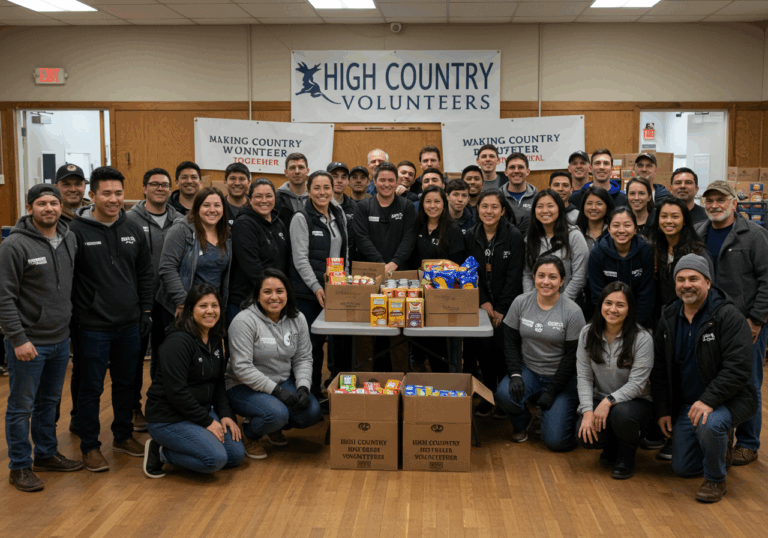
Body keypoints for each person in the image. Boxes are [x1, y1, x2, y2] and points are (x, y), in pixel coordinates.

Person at [651, 254, 757, 503]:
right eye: (681, 279)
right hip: (688, 404)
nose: (686, 285)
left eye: (693, 279)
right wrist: (663, 409)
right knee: (683, 468)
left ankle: (715, 479)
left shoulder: (729, 316)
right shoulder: (668, 317)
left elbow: (738, 368)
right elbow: (660, 369)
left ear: (708, 282)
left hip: (727, 400)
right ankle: (719, 450)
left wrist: (708, 400)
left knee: (710, 424)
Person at [0, 184, 84, 492]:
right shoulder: (14, 245)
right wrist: (18, 339)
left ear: (61, 207)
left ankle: (46, 454)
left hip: (60, 339)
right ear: (29, 208)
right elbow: (4, 297)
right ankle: (19, 466)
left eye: (53, 203)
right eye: (41, 203)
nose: (49, 208)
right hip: (28, 342)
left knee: (49, 402)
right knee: (21, 406)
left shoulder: (69, 237)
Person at [69, 166, 154, 472]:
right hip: (92, 326)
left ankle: (123, 436)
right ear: (92, 195)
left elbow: (145, 273)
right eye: (106, 193)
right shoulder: (75, 232)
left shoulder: (133, 228)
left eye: (118, 193)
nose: (114, 199)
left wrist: (145, 310)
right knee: (91, 388)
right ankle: (90, 446)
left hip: (129, 324)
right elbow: (68, 279)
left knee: (126, 384)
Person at [695, 181, 768, 467]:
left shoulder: (755, 235)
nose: (714, 205)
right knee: (715, 379)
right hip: (710, 321)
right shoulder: (699, 233)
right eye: (709, 200)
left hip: (747, 323)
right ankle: (721, 438)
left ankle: (748, 443)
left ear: (734, 203)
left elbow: (767, 280)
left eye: (721, 199)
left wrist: (757, 320)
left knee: (748, 381)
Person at [143, 284, 244, 478]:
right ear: (190, 310)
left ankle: (189, 443)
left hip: (199, 412)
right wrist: (207, 421)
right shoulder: (177, 342)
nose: (210, 311)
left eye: (214, 305)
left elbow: (218, 383)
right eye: (203, 306)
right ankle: (160, 452)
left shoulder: (215, 337)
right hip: (168, 418)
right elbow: (176, 391)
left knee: (235, 455)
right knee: (215, 459)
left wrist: (224, 414)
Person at [226, 270, 322, 460]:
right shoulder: (243, 321)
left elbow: (303, 357)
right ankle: (250, 434)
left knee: (312, 412)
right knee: (277, 414)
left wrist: (303, 387)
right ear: (257, 295)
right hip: (242, 386)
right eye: (267, 292)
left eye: (279, 291)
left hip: (281, 382)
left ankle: (272, 425)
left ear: (288, 294)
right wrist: (276, 391)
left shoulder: (297, 318)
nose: (274, 297)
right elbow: (242, 368)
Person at [495, 255, 585, 450]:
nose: (546, 282)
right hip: (530, 370)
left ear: (562, 281)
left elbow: (573, 358)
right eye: (541, 275)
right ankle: (523, 422)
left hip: (561, 378)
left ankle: (564, 414)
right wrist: (515, 374)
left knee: (556, 442)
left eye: (552, 277)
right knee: (503, 395)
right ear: (534, 277)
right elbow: (510, 342)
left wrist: (552, 392)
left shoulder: (573, 312)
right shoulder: (520, 302)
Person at [576, 282, 654, 480]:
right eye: (608, 303)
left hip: (636, 402)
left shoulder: (642, 338)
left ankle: (627, 454)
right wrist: (587, 411)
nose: (613, 309)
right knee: (582, 434)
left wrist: (608, 401)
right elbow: (584, 377)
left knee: (622, 415)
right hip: (601, 397)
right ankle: (611, 447)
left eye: (620, 305)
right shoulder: (587, 333)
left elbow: (638, 384)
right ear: (600, 305)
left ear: (629, 310)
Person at [126, 167, 179, 432]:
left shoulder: (181, 220)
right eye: (155, 184)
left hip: (169, 301)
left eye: (165, 185)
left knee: (164, 356)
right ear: (144, 188)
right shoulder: (128, 220)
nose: (160, 188)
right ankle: (133, 408)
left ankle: (158, 404)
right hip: (138, 301)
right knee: (134, 358)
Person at [465, 190, 525, 416]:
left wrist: (501, 308)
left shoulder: (514, 235)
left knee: (503, 351)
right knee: (484, 351)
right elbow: (469, 272)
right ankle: (488, 395)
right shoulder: (471, 235)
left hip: (507, 306)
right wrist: (483, 301)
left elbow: (514, 276)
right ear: (478, 209)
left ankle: (503, 398)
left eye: (494, 207)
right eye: (484, 206)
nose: (488, 211)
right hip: (481, 305)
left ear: (502, 211)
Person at [289, 170, 349, 395]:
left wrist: (345, 283)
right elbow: (300, 259)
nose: (322, 192)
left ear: (333, 190)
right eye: (317, 188)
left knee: (339, 344)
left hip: (336, 291)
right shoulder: (301, 218)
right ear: (308, 190)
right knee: (311, 346)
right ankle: (310, 394)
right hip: (308, 293)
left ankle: (335, 392)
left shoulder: (338, 214)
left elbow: (344, 253)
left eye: (326, 187)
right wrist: (316, 287)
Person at [352, 162, 417, 371]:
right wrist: (382, 265)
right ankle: (365, 379)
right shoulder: (363, 207)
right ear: (374, 181)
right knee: (366, 332)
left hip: (400, 278)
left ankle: (401, 378)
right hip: (369, 278)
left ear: (397, 182)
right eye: (382, 180)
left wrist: (394, 263)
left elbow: (409, 238)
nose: (387, 184)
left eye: (391, 180)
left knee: (398, 332)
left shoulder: (406, 206)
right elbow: (361, 238)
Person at [408, 186, 466, 372]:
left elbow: (456, 265)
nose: (432, 206)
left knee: (438, 346)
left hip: (442, 295)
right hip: (418, 294)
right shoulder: (416, 226)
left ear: (444, 203)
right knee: (416, 341)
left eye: (437, 201)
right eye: (428, 201)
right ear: (422, 204)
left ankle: (441, 379)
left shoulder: (452, 230)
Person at [158, 186, 232, 327]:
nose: (212, 210)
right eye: (206, 205)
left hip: (211, 309)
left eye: (217, 205)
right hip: (183, 307)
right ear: (197, 208)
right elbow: (167, 268)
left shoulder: (226, 234)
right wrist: (182, 302)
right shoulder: (181, 230)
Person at [228, 179, 290, 322]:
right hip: (246, 302)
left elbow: (285, 261)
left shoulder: (278, 223)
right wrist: (273, 293)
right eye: (258, 196)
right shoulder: (244, 224)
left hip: (271, 300)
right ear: (250, 199)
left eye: (269, 196)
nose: (264, 200)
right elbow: (252, 267)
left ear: (275, 198)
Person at [588, 208, 655, 329]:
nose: (621, 230)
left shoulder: (645, 251)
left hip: (638, 320)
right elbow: (597, 294)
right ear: (609, 229)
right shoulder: (597, 254)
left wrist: (636, 326)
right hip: (607, 317)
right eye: (616, 225)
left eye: (627, 225)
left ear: (635, 229)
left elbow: (646, 294)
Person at [523, 189, 589, 302]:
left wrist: (560, 304)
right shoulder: (530, 238)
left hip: (569, 302)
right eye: (540, 206)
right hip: (538, 302)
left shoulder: (574, 236)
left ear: (559, 208)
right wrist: (531, 301)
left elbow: (579, 277)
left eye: (550, 206)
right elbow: (528, 275)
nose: (545, 210)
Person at [501, 152, 537, 234]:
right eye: (512, 167)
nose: (516, 171)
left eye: (520, 167)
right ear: (506, 172)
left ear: (527, 171)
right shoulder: (498, 197)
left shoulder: (537, 197)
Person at [575, 186, 614, 252]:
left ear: (607, 206)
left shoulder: (614, 232)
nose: (593, 208)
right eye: (589, 203)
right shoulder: (575, 233)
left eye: (599, 204)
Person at [276, 153, 309, 225]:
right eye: (292, 168)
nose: (297, 171)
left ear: (307, 171)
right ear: (286, 172)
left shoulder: (315, 197)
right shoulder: (277, 199)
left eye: (301, 167)